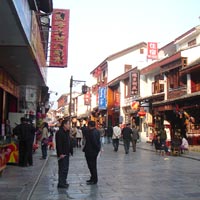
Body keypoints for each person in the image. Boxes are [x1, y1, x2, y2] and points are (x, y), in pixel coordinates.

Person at [55, 119, 72, 188]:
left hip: (67, 153)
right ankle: (61, 183)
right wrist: (60, 153)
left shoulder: (67, 132)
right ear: (64, 125)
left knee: (66, 169)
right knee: (62, 168)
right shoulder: (59, 132)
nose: (69, 126)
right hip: (62, 154)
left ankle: (64, 181)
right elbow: (58, 144)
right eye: (68, 124)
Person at [83, 120, 101, 185]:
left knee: (92, 166)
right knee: (92, 166)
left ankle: (94, 179)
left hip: (91, 151)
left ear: (89, 125)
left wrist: (97, 149)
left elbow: (94, 142)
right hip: (92, 151)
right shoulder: (96, 131)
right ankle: (92, 178)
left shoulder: (92, 132)